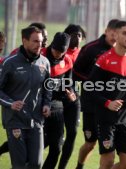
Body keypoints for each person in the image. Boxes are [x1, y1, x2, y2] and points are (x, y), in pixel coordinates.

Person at [89, 20, 126, 169]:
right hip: (106, 119)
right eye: (125, 33)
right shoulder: (104, 60)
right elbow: (89, 89)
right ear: (116, 36)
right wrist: (107, 103)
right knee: (107, 161)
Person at [0, 26, 51, 169]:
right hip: (15, 121)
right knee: (20, 165)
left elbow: (48, 88)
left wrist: (47, 104)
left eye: (41, 41)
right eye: (35, 41)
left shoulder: (44, 63)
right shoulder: (10, 63)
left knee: (36, 164)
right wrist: (10, 103)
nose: (39, 45)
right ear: (24, 41)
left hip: (36, 121)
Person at [73, 19, 119, 169]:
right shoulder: (90, 49)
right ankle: (80, 165)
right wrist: (94, 81)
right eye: (112, 33)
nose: (115, 36)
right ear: (106, 31)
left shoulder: (122, 51)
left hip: (111, 106)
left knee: (108, 148)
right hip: (91, 104)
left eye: (118, 34)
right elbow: (75, 72)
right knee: (90, 144)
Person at [41, 32, 75, 169]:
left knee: (56, 148)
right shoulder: (40, 56)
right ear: (51, 46)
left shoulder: (67, 60)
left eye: (62, 52)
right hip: (38, 105)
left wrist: (71, 92)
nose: (58, 54)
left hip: (57, 107)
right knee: (35, 145)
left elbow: (69, 83)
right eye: (55, 50)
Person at [53, 24, 85, 169]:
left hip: (73, 99)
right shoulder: (60, 53)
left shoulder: (83, 54)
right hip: (56, 99)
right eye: (74, 35)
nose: (77, 38)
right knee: (52, 139)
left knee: (72, 133)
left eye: (79, 35)